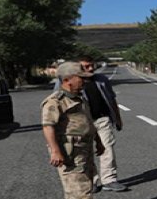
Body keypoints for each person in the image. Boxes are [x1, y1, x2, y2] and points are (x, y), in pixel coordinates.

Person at [40, 61, 111, 199]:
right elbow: (47, 127)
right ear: (67, 80)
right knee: (79, 183)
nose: (84, 81)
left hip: (83, 147)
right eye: (81, 78)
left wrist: (99, 142)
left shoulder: (80, 98)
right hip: (68, 150)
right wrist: (55, 151)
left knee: (80, 180)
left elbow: (88, 122)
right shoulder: (55, 102)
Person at [54, 57, 127, 192]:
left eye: (92, 65)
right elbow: (58, 103)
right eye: (86, 67)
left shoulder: (101, 80)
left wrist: (117, 118)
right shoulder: (68, 81)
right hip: (80, 122)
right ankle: (92, 180)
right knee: (85, 152)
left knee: (107, 147)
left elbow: (111, 99)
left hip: (101, 119)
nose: (91, 69)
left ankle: (109, 179)